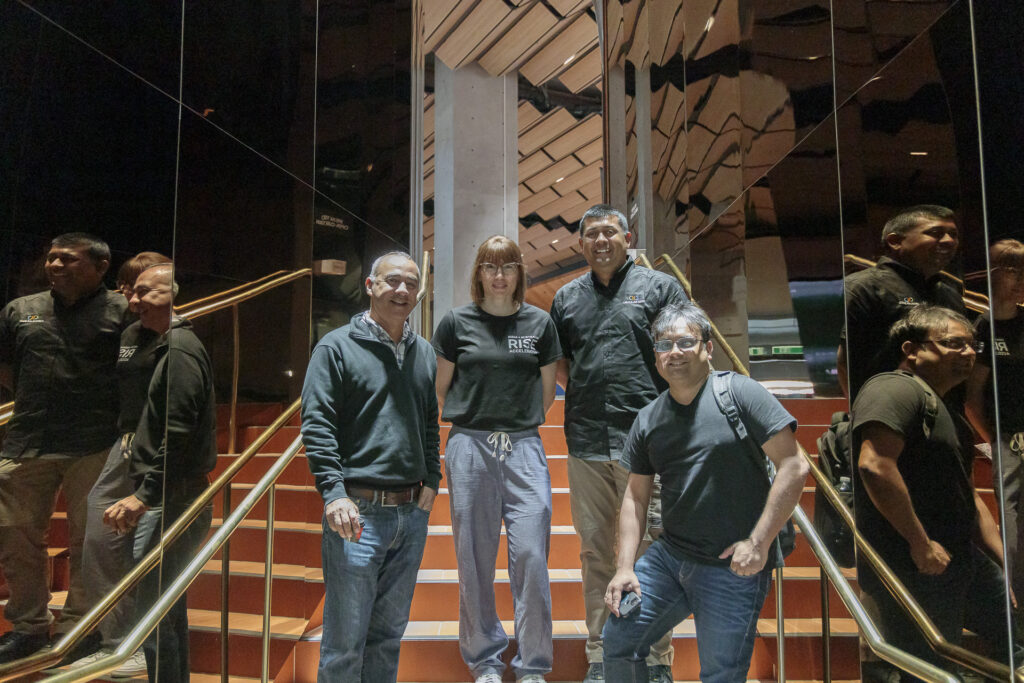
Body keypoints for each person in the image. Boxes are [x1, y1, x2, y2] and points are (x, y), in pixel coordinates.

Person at [601, 301, 808, 683]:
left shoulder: (740, 393)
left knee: (721, 674)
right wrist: (625, 567)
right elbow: (635, 496)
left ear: (707, 348)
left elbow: (794, 465)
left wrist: (759, 542)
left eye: (685, 342)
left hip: (732, 567)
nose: (674, 352)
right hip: (670, 557)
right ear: (656, 356)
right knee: (618, 641)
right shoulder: (649, 418)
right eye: (664, 345)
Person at [549, 204, 688, 683]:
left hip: (648, 445)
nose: (601, 240)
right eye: (592, 234)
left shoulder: (660, 288)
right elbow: (563, 365)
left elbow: (682, 355)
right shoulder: (566, 297)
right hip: (587, 440)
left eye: (610, 232)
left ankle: (653, 659)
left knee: (651, 550)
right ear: (582, 244)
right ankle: (601, 657)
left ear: (628, 238)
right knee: (595, 552)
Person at [301, 251, 441, 682]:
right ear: (370, 286)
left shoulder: (423, 352)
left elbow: (428, 423)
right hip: (357, 514)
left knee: (387, 636)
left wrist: (432, 480)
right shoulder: (335, 347)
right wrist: (334, 492)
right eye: (392, 281)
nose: (403, 291)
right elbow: (317, 422)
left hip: (410, 513)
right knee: (344, 643)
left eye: (411, 284)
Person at [852, 305, 1010, 672]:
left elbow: (968, 493)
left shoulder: (945, 410)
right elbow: (874, 465)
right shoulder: (893, 388)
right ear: (912, 350)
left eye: (972, 346)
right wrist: (920, 544)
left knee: (1008, 639)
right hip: (920, 561)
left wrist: (1001, 563)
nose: (969, 353)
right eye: (954, 344)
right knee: (932, 663)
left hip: (959, 556)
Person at [433, 236, 560, 683]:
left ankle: (533, 666)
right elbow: (441, 387)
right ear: (479, 274)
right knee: (473, 556)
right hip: (469, 446)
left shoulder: (540, 324)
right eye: (490, 267)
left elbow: (547, 393)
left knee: (531, 554)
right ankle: (485, 659)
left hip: (523, 447)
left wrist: (515, 423)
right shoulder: (455, 323)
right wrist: (480, 423)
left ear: (519, 273)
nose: (500, 275)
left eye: (508, 267)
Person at [0, 233, 129, 663]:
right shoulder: (21, 310)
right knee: (14, 532)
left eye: (67, 259)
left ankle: (79, 628)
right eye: (52, 257)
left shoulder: (124, 311)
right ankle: (29, 626)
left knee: (87, 540)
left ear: (100, 265)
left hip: (93, 443)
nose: (55, 264)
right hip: (27, 440)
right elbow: (6, 366)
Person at [55, 251, 171, 676]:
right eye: (125, 285)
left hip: (153, 448)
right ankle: (117, 639)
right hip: (123, 443)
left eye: (139, 285)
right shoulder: (130, 333)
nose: (129, 294)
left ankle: (139, 643)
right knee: (101, 536)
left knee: (144, 549)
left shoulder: (177, 336)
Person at [102, 262, 217, 683]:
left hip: (175, 497)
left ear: (174, 294)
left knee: (153, 614)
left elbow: (179, 431)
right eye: (133, 291)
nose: (135, 300)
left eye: (148, 292)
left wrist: (145, 495)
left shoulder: (180, 350)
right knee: (165, 610)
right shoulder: (172, 345)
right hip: (173, 494)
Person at [838, 205, 964, 400]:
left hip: (946, 412)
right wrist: (864, 415)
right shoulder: (862, 287)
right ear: (895, 241)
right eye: (936, 233)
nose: (949, 241)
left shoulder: (950, 294)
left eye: (953, 234)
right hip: (888, 412)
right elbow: (843, 360)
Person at [966, 239, 1024, 600]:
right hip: (1007, 437)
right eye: (1011, 269)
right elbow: (972, 398)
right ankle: (1015, 600)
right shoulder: (981, 329)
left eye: (1023, 270)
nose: (1019, 279)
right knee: (1013, 519)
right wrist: (995, 440)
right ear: (992, 274)